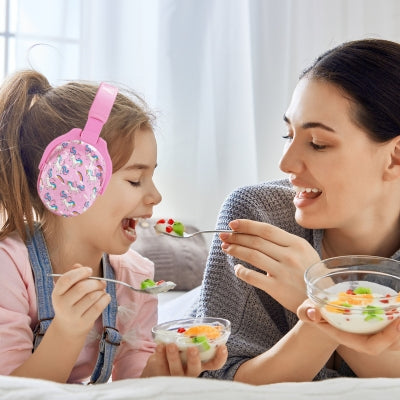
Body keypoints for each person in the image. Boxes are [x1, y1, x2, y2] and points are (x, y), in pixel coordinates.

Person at [0, 70, 227, 384]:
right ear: (72, 179)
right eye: (135, 180)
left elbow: (132, 384)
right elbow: (11, 389)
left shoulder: (133, 278)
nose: (156, 196)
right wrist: (66, 334)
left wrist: (165, 371)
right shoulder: (8, 268)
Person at [196, 38, 400, 384]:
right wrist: (322, 313)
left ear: (394, 157)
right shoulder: (256, 214)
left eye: (317, 144)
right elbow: (219, 381)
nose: (286, 163)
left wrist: (323, 297)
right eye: (288, 134)